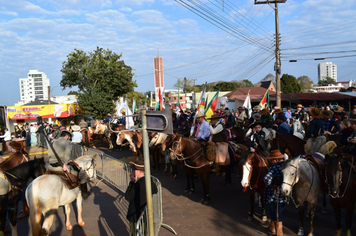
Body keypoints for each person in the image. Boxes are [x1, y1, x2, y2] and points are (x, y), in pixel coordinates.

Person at [48, 130, 92, 199]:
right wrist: (65, 163)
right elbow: (67, 154)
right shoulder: (67, 142)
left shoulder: (53, 141)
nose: (69, 138)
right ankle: (85, 193)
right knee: (83, 174)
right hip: (61, 165)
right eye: (69, 137)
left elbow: (49, 154)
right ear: (67, 136)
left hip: (51, 165)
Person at [125, 160, 158, 236]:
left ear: (136, 172)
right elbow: (155, 190)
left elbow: (128, 196)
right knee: (143, 231)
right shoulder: (148, 180)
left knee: (135, 232)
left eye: (132, 170)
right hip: (144, 214)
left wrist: (131, 183)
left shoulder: (137, 184)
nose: (131, 173)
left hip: (135, 215)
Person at [264, 149, 288, 236]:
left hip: (273, 194)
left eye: (271, 160)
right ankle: (272, 227)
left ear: (276, 160)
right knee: (279, 211)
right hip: (285, 194)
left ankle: (279, 232)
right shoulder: (287, 166)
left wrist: (271, 186)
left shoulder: (274, 168)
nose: (270, 161)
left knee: (275, 212)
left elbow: (266, 179)